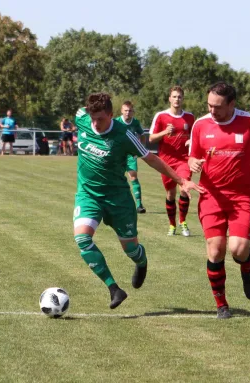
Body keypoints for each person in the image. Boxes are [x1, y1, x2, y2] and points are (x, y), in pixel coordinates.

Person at [73, 93, 204, 309]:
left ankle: (141, 262)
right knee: (82, 240)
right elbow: (79, 116)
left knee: (131, 249)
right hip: (88, 196)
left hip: (119, 201)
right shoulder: (82, 119)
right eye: (93, 118)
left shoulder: (123, 135)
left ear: (111, 115)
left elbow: (151, 159)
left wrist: (181, 180)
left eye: (101, 119)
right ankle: (114, 289)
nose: (96, 123)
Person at [188, 82, 250, 319]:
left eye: (218, 107)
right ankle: (221, 305)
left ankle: (246, 266)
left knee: (238, 249)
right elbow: (192, 155)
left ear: (232, 104)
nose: (212, 111)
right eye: (209, 105)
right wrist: (191, 164)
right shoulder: (200, 124)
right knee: (216, 249)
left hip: (243, 197)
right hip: (211, 196)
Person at [149, 86, 196, 235]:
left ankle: (183, 222)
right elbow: (151, 138)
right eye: (174, 96)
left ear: (183, 99)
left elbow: (196, 136)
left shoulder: (189, 117)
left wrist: (192, 142)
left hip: (184, 160)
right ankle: (172, 225)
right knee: (170, 194)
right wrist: (164, 132)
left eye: (179, 97)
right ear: (170, 98)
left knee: (184, 188)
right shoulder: (161, 116)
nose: (177, 99)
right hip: (166, 162)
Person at [114, 101, 146, 213]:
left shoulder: (135, 122)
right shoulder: (116, 122)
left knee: (133, 177)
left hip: (131, 155)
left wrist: (140, 148)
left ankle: (139, 205)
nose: (127, 113)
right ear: (121, 111)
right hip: (118, 155)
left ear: (133, 112)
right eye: (125, 110)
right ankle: (116, 204)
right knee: (116, 177)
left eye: (130, 110)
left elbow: (142, 135)